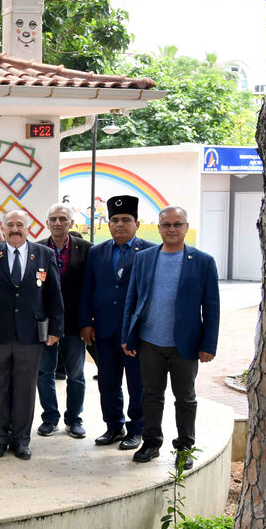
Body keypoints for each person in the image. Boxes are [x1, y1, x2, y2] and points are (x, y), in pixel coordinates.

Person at [122, 206, 219, 469]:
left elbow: (211, 307)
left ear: (186, 227)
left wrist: (208, 344)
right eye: (166, 225)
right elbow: (132, 299)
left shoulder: (202, 261)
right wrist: (127, 336)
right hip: (150, 342)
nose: (172, 229)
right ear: (158, 227)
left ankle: (185, 447)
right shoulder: (144, 258)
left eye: (178, 224)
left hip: (184, 346)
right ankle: (152, 442)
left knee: (185, 398)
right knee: (151, 395)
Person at [0, 210, 64, 461]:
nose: (14, 229)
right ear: (2, 226)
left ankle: (21, 440)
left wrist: (56, 329)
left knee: (25, 390)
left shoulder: (45, 254)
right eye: (10, 225)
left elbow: (54, 295)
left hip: (30, 336)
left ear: (29, 227)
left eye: (20, 225)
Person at [79, 194, 154, 451]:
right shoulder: (97, 251)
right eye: (114, 220)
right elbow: (88, 289)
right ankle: (113, 426)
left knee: (137, 384)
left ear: (137, 223)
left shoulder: (150, 251)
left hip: (136, 333)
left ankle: (136, 429)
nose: (119, 224)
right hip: (104, 330)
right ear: (107, 223)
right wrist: (86, 323)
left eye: (125, 219)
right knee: (108, 383)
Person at [36, 203, 92, 440]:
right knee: (44, 372)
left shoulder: (86, 249)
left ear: (71, 222)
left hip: (74, 323)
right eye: (53, 219)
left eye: (62, 218)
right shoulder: (37, 249)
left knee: (76, 374)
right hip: (45, 323)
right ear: (47, 223)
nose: (57, 223)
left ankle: (74, 419)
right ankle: (50, 418)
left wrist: (88, 321)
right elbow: (34, 287)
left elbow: (91, 288)